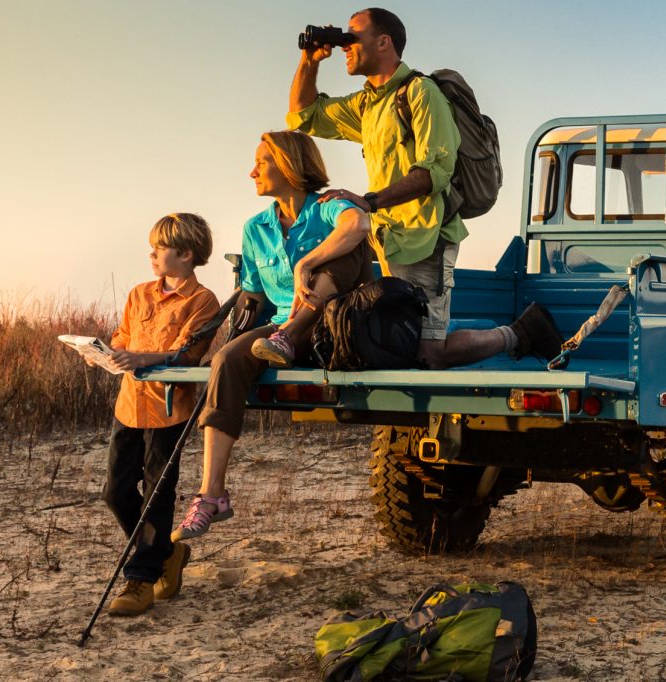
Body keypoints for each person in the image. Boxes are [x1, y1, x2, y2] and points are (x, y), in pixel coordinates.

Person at [286, 7, 563, 369]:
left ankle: (520, 333)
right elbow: (303, 116)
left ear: (384, 42)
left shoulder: (420, 93)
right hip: (389, 239)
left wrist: (369, 201)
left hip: (427, 239)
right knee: (398, 341)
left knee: (427, 354)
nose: (345, 47)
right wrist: (310, 60)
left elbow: (436, 171)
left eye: (352, 38)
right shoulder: (369, 103)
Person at [172, 130, 372, 541]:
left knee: (343, 254)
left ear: (289, 164)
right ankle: (212, 496)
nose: (252, 172)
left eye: (261, 163)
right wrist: (222, 344)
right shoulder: (255, 228)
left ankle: (290, 335)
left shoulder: (329, 207)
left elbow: (359, 224)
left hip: (336, 326)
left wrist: (307, 264)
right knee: (228, 361)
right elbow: (254, 296)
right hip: (278, 328)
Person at [79, 213, 220, 617]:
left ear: (186, 254)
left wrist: (143, 357)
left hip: (168, 409)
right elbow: (123, 337)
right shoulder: (139, 293)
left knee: (156, 496)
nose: (152, 255)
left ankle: (140, 579)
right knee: (116, 492)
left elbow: (188, 353)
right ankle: (168, 554)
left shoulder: (203, 301)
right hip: (129, 405)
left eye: (159, 249)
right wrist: (104, 353)